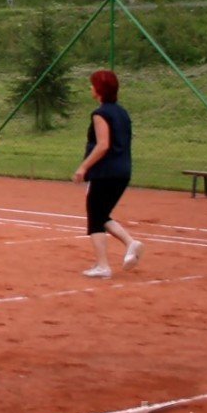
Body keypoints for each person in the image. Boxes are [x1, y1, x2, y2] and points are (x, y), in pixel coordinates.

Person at [72, 69, 143, 278]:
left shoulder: (100, 113)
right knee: (101, 214)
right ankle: (131, 243)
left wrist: (83, 167)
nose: (90, 88)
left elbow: (103, 145)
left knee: (95, 217)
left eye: (93, 84)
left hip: (105, 172)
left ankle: (103, 266)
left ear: (99, 89)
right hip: (123, 171)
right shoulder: (122, 113)